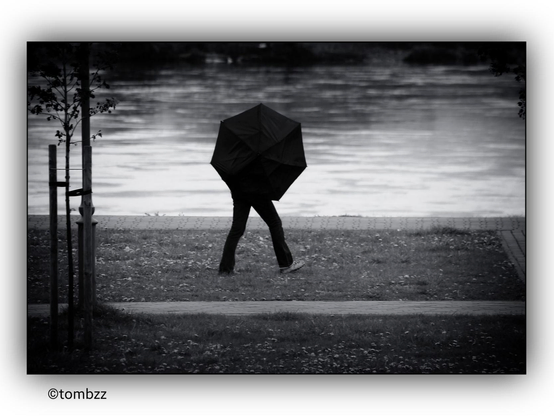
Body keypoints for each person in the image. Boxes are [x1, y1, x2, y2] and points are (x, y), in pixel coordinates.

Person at [218, 157, 305, 275]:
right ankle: (285, 264)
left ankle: (225, 268)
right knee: (274, 223)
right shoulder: (259, 150)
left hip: (237, 188)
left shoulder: (236, 149)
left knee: (237, 228)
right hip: (255, 190)